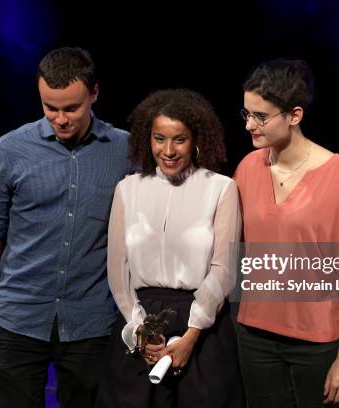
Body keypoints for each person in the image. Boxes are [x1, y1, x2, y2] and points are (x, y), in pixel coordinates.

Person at [0, 47, 135, 408]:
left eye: (71, 108)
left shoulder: (126, 150)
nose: (60, 119)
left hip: (92, 323)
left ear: (94, 94)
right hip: (18, 317)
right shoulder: (10, 150)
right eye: (50, 107)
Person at [234, 59, 339, 407]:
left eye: (261, 117)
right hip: (254, 336)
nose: (250, 125)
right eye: (246, 114)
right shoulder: (248, 168)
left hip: (316, 343)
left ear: (294, 115)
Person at [96, 89, 245, 408]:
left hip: (204, 330)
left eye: (179, 139)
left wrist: (191, 336)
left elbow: (224, 270)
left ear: (196, 139)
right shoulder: (128, 189)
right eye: (159, 138)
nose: (168, 150)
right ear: (146, 140)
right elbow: (118, 269)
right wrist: (138, 329)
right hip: (141, 324)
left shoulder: (221, 188)